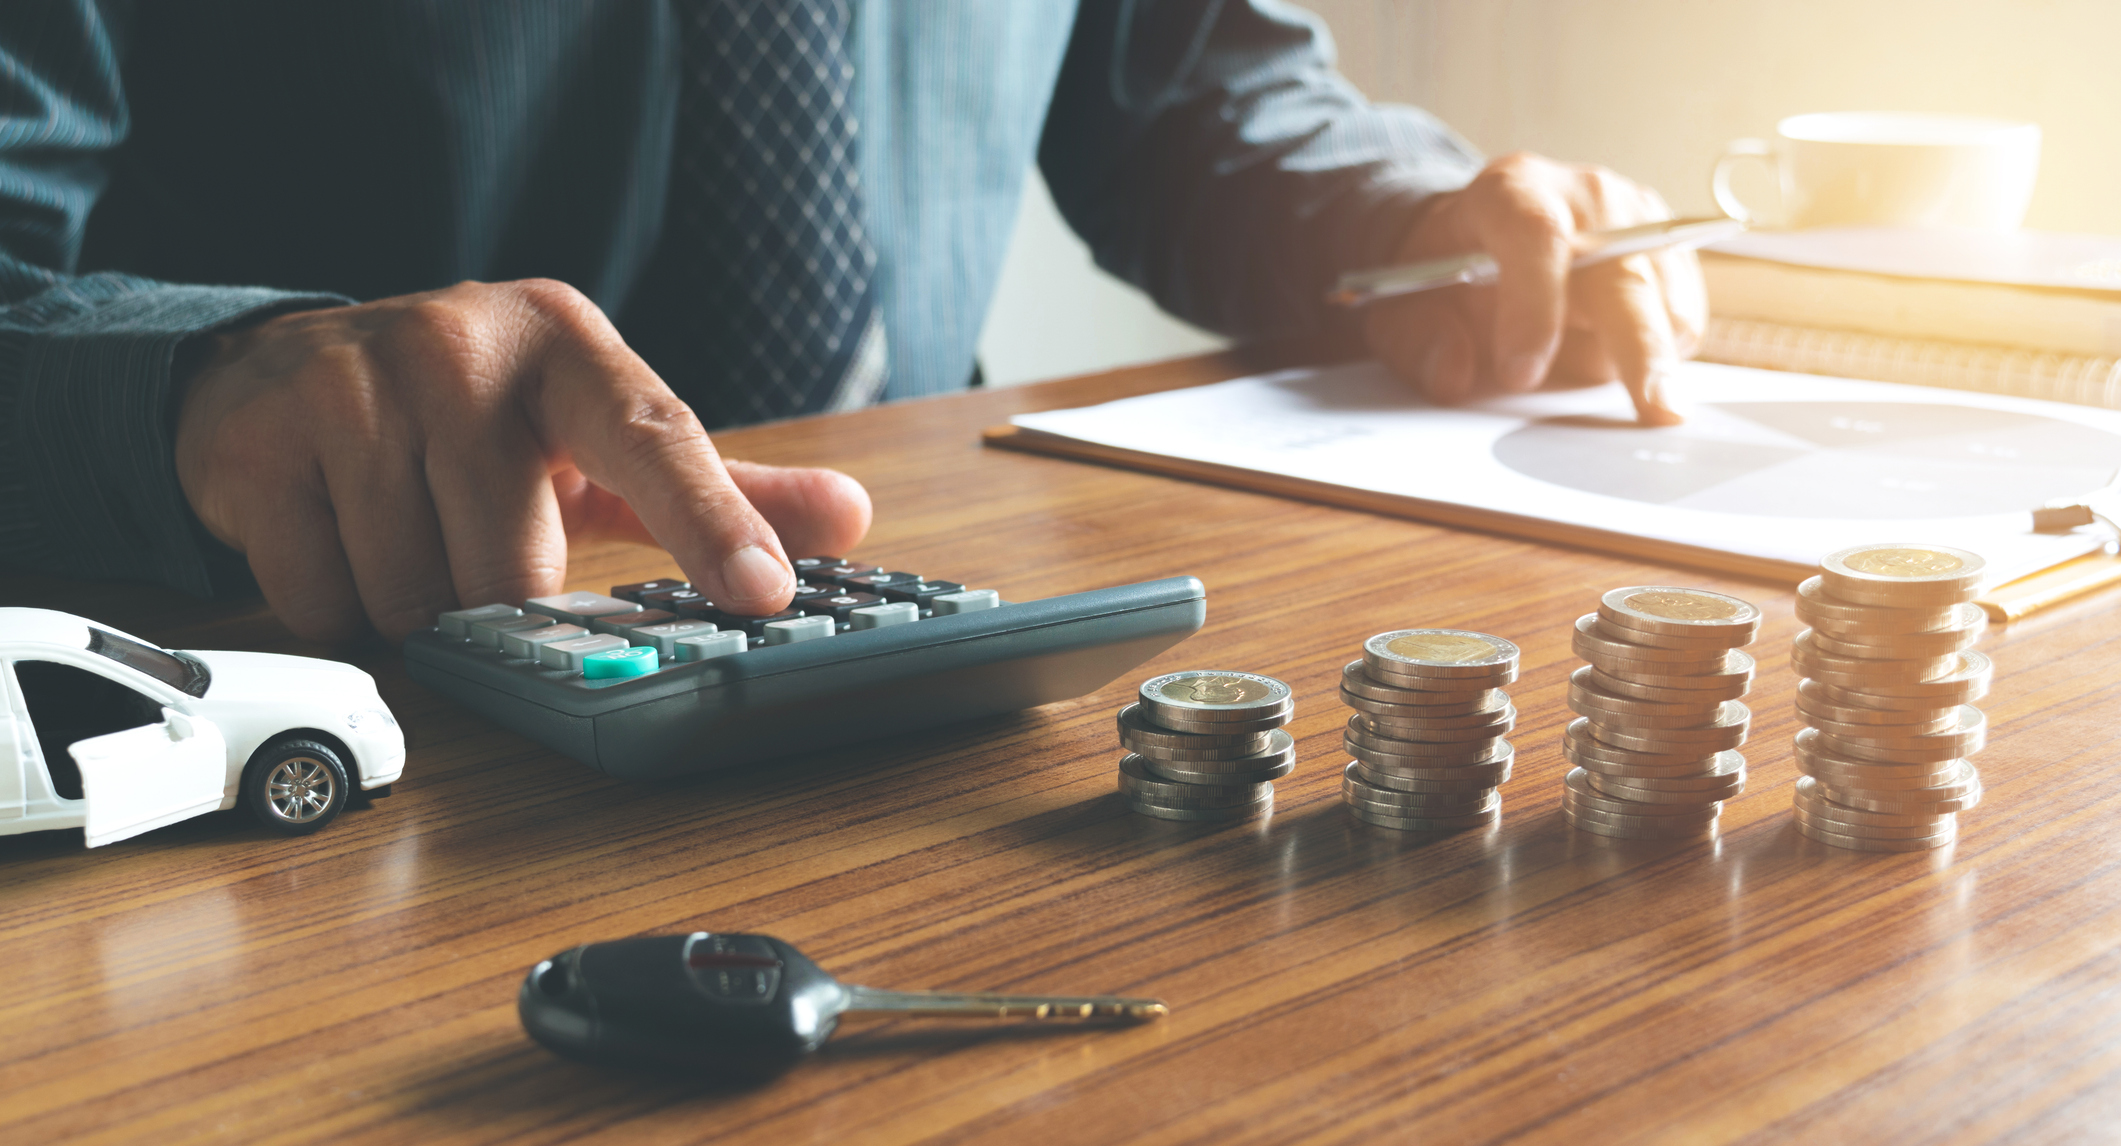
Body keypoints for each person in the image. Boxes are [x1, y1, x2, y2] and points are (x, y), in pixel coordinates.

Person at [0, 1, 1703, 643]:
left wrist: (1420, 223)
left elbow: (1180, 79)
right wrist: (211, 376)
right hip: (346, 678)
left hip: (935, 608)